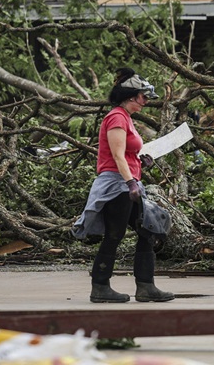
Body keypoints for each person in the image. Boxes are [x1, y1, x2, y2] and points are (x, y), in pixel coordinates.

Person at [72, 68, 175, 303]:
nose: (146, 102)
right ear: (131, 95)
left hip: (128, 183)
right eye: (143, 97)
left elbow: (126, 156)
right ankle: (100, 287)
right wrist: (130, 183)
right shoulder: (116, 117)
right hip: (116, 186)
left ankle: (146, 286)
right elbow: (117, 156)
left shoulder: (126, 118)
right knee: (115, 234)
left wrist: (141, 162)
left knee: (148, 231)